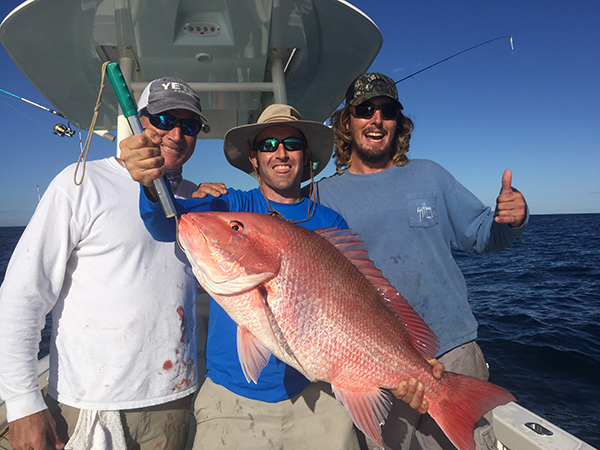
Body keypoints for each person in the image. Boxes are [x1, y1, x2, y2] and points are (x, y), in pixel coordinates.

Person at [120, 103, 442, 450]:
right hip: (230, 403)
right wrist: (152, 182)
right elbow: (168, 221)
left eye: (291, 144)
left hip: (320, 401)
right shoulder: (227, 205)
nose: (281, 153)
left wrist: (411, 368)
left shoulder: (330, 223)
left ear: (306, 157)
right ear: (254, 159)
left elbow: (370, 297)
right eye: (268, 146)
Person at [308, 72, 528, 450]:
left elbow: (482, 236)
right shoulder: (321, 196)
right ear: (347, 122)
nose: (376, 119)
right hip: (372, 362)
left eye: (388, 110)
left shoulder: (430, 175)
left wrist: (513, 219)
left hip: (453, 350)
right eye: (364, 109)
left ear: (399, 123)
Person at [0, 77, 208, 450]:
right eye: (163, 120)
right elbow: (21, 296)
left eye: (188, 125)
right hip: (91, 406)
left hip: (175, 403)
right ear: (139, 119)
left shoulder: (194, 197)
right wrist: (22, 403)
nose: (176, 134)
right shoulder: (80, 183)